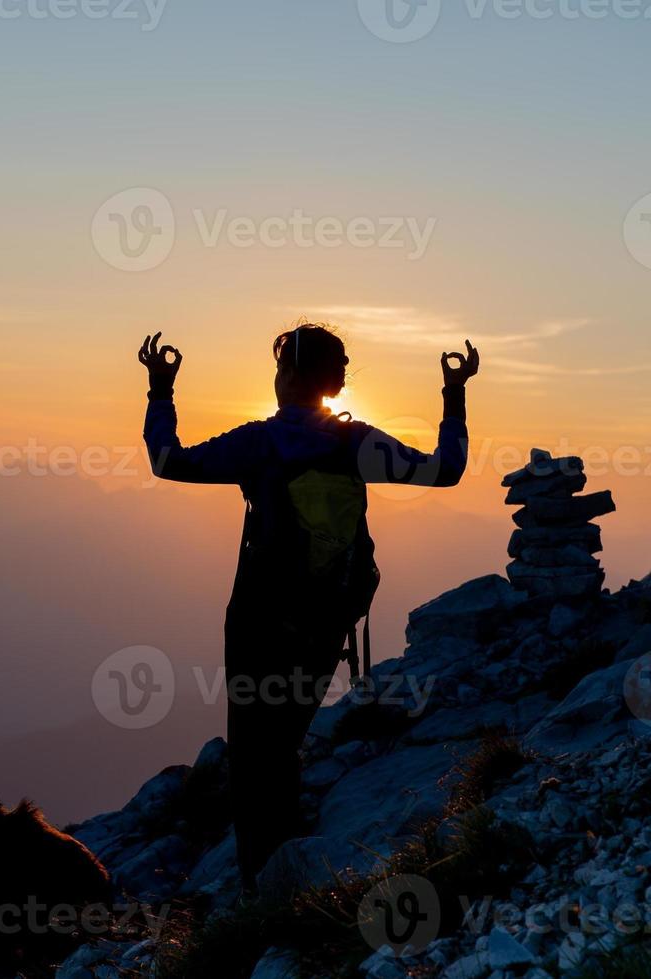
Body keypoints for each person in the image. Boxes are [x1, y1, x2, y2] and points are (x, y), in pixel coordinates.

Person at [137, 322, 480, 891]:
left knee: (253, 755)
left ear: (289, 375)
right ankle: (291, 870)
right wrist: (454, 393)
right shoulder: (356, 443)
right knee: (287, 741)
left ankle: (262, 887)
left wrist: (160, 390)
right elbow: (447, 470)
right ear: (334, 383)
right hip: (323, 618)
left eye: (278, 369)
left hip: (258, 619)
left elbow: (168, 460)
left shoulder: (258, 443)